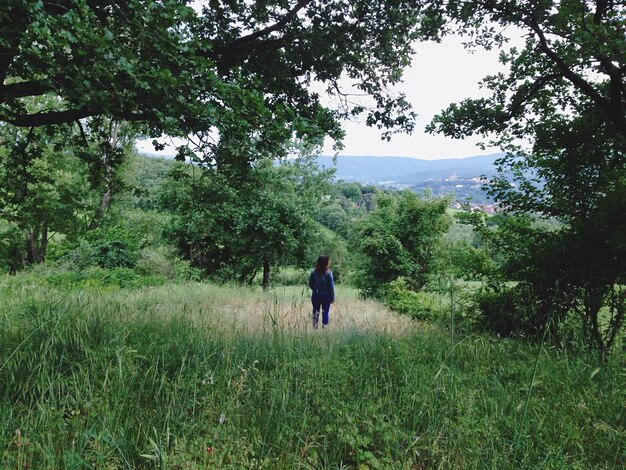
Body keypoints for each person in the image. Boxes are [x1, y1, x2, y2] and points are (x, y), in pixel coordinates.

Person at [308, 255, 335, 329]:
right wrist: (332, 298)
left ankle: (315, 328)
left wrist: (315, 289)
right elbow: (331, 287)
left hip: (316, 295)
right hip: (326, 296)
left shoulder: (313, 272)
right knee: (325, 312)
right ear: (326, 262)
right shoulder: (328, 273)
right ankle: (325, 328)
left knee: (315, 312)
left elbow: (310, 284)